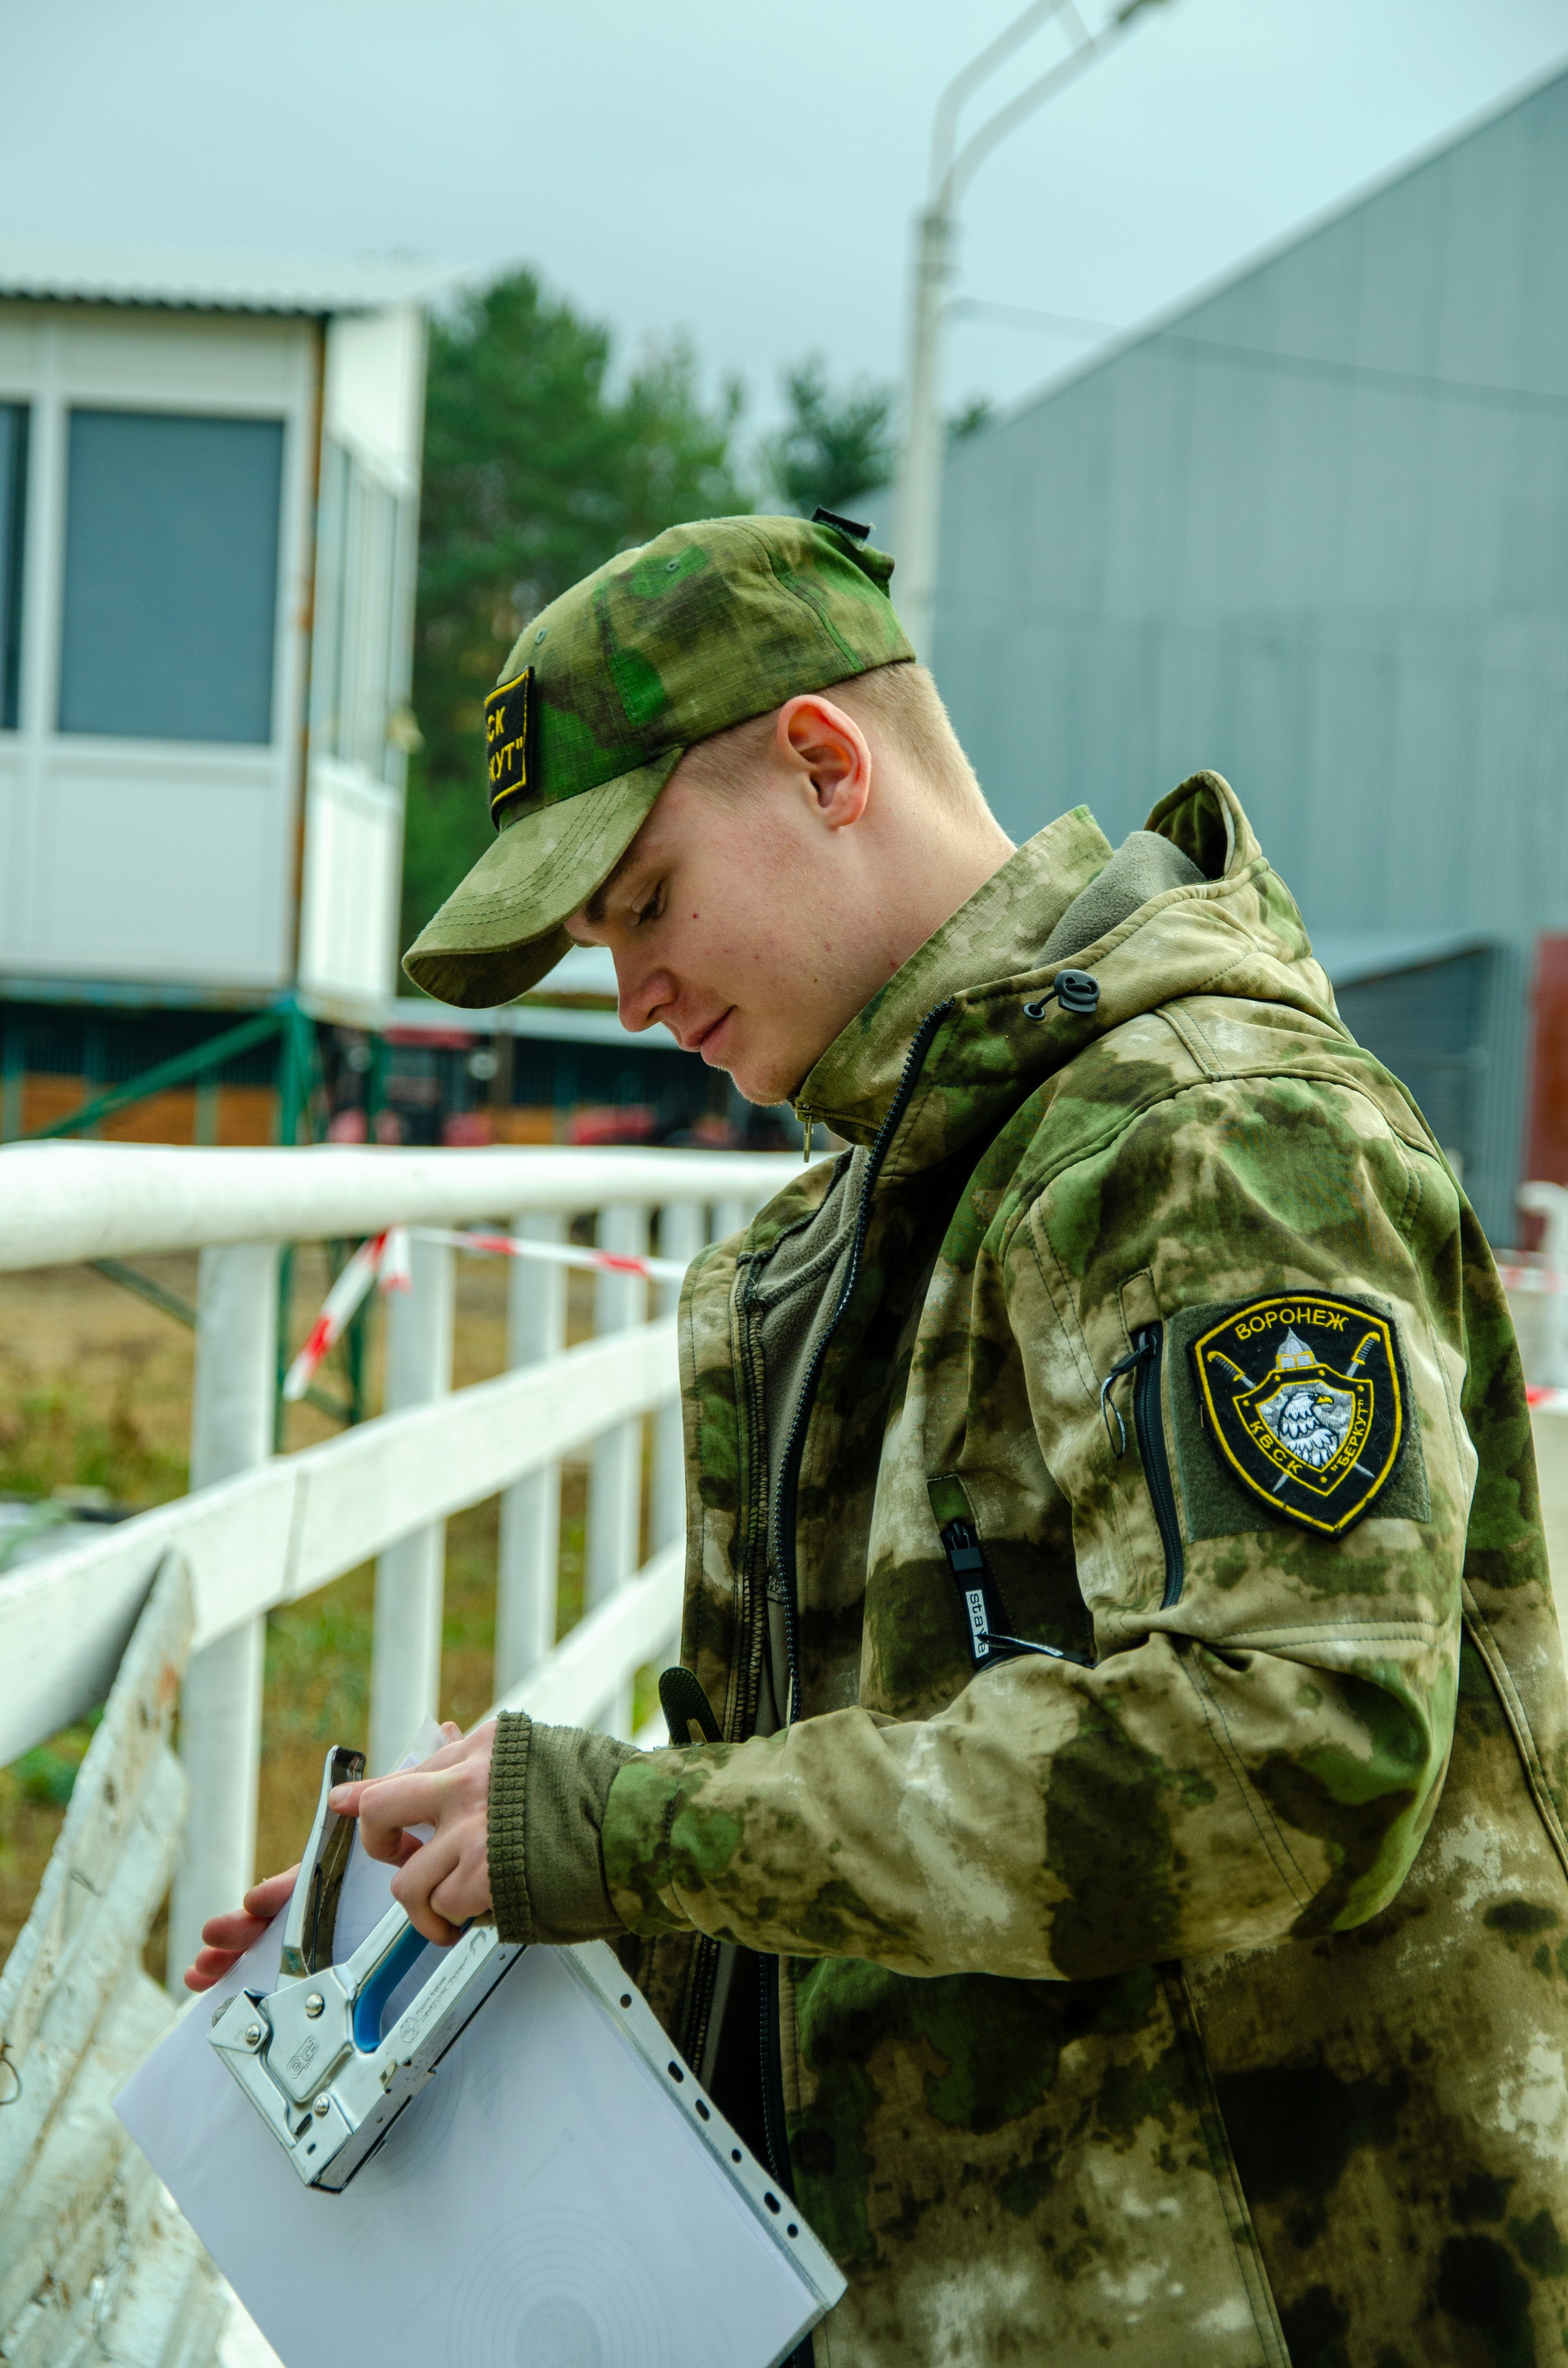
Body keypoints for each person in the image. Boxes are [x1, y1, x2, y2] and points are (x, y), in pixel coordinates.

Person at [190, 513, 1568, 2366]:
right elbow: (865, 1826)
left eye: (646, 901)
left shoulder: (1207, 1137)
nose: (634, 996)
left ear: (826, 765)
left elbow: (1293, 1760)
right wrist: (480, 1910)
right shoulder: (871, 1222)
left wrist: (625, 1831)